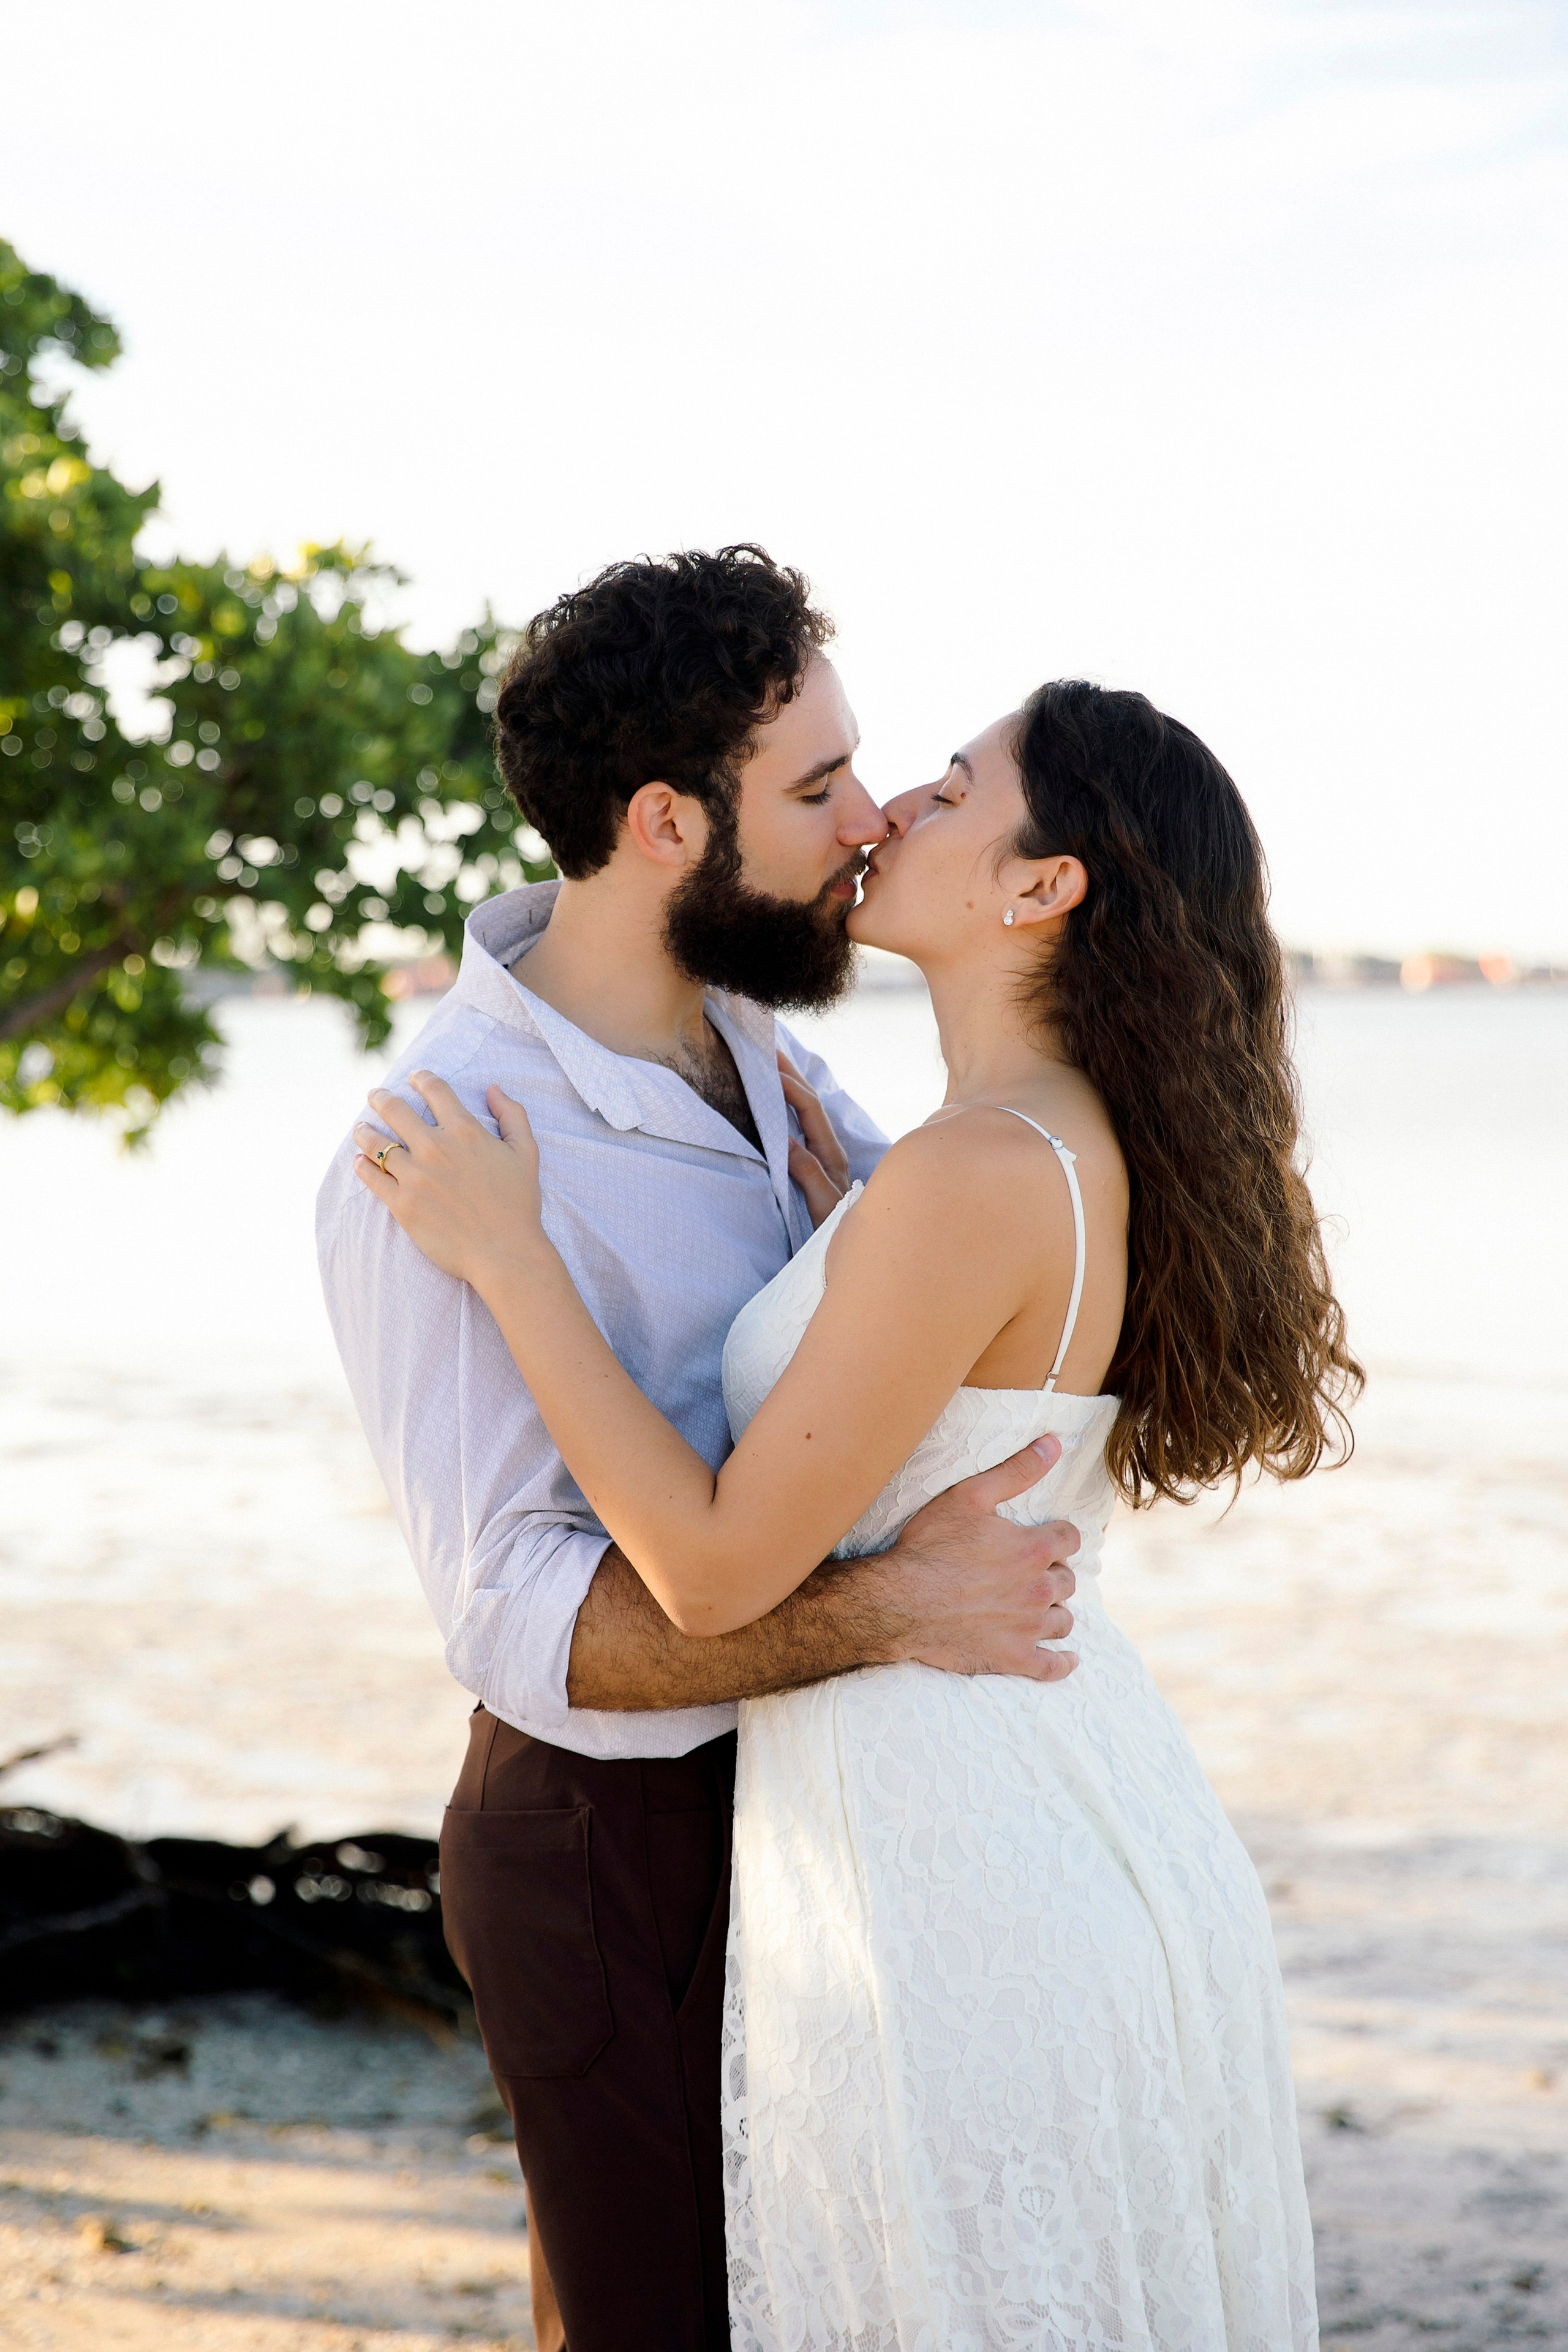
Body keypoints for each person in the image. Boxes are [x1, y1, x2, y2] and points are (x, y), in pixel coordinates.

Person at [353, 676, 1363, 2350]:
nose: (893, 809)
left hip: (962, 1842)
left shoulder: (973, 1173)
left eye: (955, 791)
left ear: (1045, 888)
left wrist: (512, 1260)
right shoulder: (994, 1146)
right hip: (1025, 1782)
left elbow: (711, 1568)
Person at [317, 546, 1082, 2352]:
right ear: (666, 822)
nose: (872, 817)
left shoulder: (771, 1059)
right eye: (817, 788)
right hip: (609, 1847)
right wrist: (889, 1615)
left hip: (809, 1815)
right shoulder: (440, 1154)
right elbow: (518, 1616)